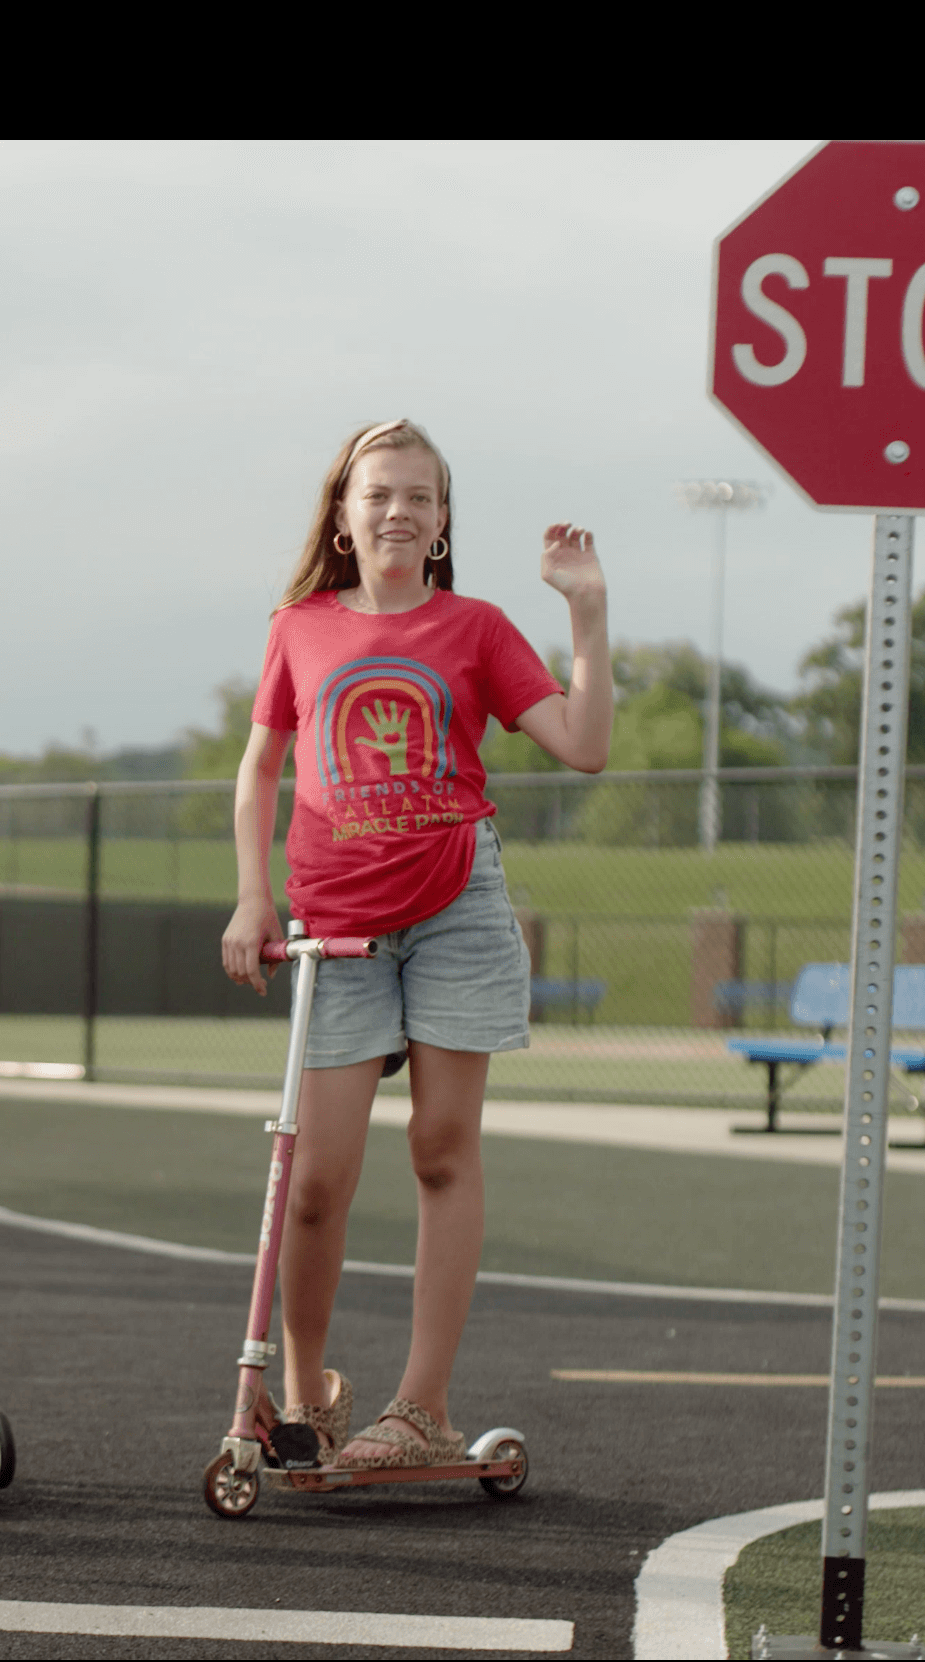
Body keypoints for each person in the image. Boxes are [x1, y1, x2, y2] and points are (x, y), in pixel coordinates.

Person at [219, 419, 610, 1470]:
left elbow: (584, 746)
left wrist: (586, 613)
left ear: (442, 524)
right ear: (343, 517)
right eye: (380, 494)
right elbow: (261, 770)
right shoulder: (298, 625)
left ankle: (421, 1410)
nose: (400, 512)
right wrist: (253, 898)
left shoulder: (476, 626)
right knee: (315, 1180)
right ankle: (306, 1401)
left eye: (422, 498)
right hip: (335, 922)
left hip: (456, 910)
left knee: (442, 1147)